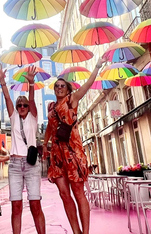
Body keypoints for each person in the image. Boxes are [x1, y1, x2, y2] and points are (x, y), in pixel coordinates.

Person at [43, 61, 105, 234]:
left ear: (68, 89)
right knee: (64, 194)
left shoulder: (72, 99)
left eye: (62, 86)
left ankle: (85, 232)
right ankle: (76, 231)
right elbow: (50, 126)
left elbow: (88, 84)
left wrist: (98, 66)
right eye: (56, 86)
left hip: (72, 151)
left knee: (78, 192)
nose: (59, 88)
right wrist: (45, 144)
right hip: (57, 153)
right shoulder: (50, 106)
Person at [0, 65, 46, 234]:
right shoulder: (14, 117)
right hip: (15, 165)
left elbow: (31, 100)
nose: (22, 106)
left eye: (24, 105)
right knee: (16, 206)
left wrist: (31, 83)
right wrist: (2, 81)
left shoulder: (33, 117)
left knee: (35, 204)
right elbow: (8, 98)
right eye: (19, 105)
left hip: (31, 165)